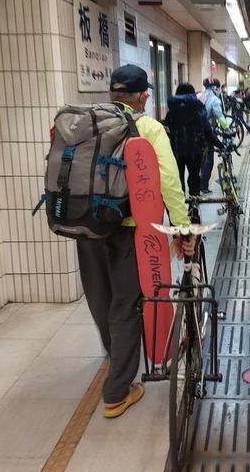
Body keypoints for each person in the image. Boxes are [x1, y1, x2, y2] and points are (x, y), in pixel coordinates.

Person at [76, 64, 194, 419]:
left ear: (112, 93)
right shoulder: (147, 126)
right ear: (144, 95)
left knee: (101, 299)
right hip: (126, 230)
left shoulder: (86, 123)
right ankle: (117, 391)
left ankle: (117, 358)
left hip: (86, 230)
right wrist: (182, 228)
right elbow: (169, 183)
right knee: (126, 306)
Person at [164, 82, 223, 197]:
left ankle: (181, 203)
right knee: (194, 176)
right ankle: (194, 207)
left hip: (176, 150)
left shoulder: (172, 110)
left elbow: (167, 129)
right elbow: (208, 131)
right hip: (195, 150)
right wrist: (220, 145)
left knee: (178, 177)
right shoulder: (198, 108)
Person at [200, 77, 229, 193]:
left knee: (200, 159)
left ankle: (198, 184)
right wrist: (227, 128)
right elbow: (219, 116)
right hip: (206, 133)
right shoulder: (214, 99)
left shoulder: (199, 96)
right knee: (208, 160)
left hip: (195, 133)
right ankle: (203, 187)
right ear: (215, 88)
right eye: (219, 88)